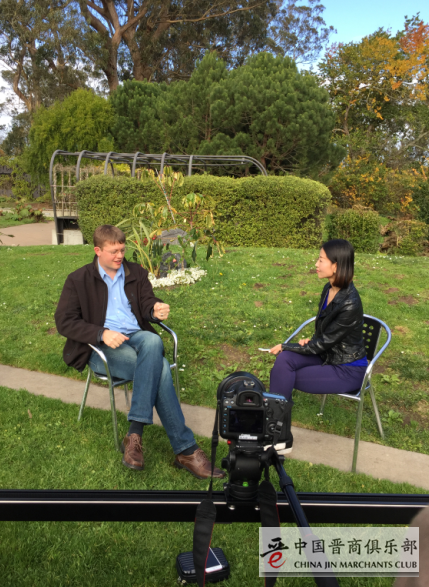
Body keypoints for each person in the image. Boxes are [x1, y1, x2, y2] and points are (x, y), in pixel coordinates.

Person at [55, 224, 225, 480]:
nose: (119, 256)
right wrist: (101, 333)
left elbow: (146, 300)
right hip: (102, 348)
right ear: (97, 251)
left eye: (122, 250)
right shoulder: (78, 280)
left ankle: (134, 435)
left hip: (136, 337)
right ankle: (186, 451)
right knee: (161, 369)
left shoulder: (135, 272)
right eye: (113, 251)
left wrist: (154, 309)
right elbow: (65, 321)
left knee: (152, 341)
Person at [269, 239, 368, 454]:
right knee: (284, 362)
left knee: (284, 375)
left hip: (347, 369)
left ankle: (276, 435)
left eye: (321, 259)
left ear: (336, 265)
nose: (316, 264)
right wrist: (309, 341)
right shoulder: (328, 288)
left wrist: (287, 345)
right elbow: (324, 334)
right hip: (327, 354)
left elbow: (323, 343)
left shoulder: (350, 303)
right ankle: (279, 435)